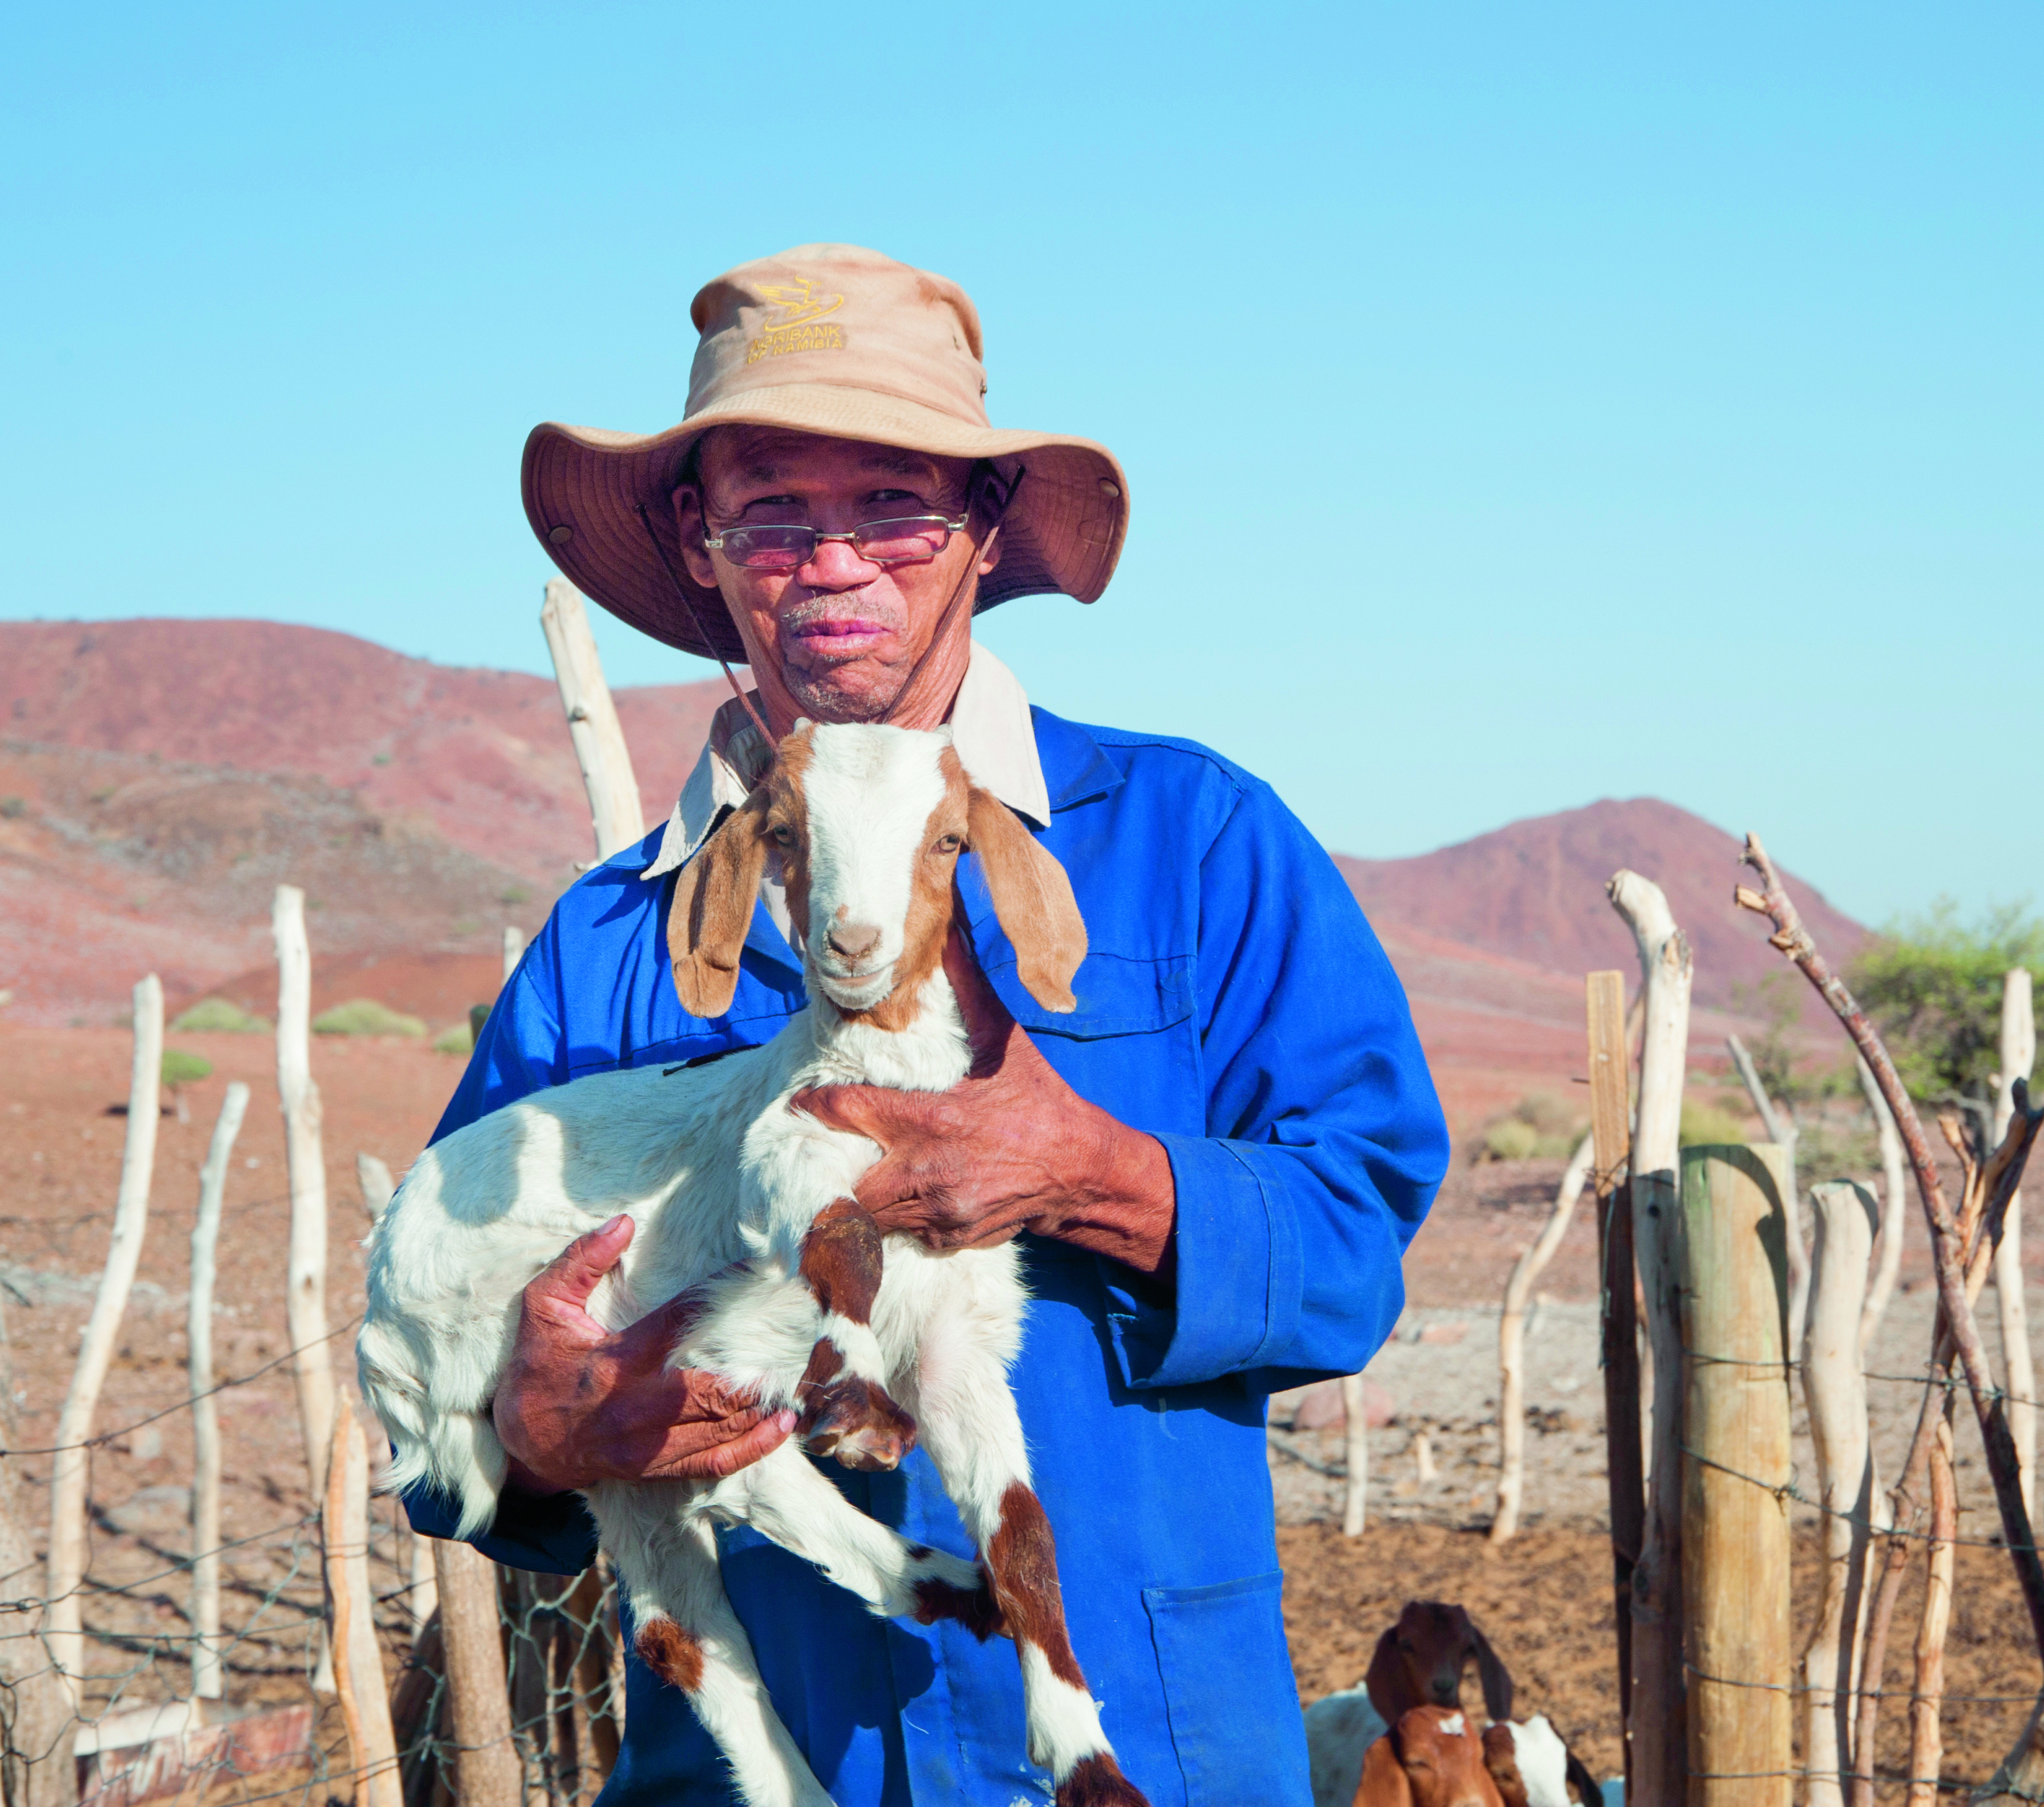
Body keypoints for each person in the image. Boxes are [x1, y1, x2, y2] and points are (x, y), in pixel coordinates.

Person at [406, 243, 1447, 1807]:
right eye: (773, 511)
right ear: (702, 546)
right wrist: (538, 1427)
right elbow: (452, 1372)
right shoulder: (607, 947)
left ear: (978, 532)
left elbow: (1357, 1239)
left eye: (891, 504)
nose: (833, 563)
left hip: (1145, 1756)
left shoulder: (1194, 843)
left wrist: (1100, 1174)